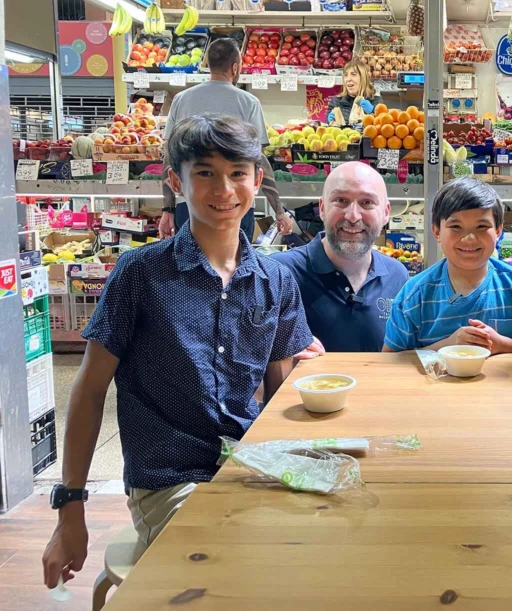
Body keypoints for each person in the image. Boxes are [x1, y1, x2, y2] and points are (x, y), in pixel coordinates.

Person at [42, 116, 315, 588]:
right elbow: (88, 390)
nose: (224, 189)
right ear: (176, 181)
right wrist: (70, 508)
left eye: (237, 172)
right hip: (168, 479)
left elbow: (278, 395)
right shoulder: (140, 273)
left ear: (256, 180)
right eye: (205, 172)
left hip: (248, 466)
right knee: (233, 569)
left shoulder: (276, 281)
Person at [383, 178, 512, 354]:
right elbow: (388, 361)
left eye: (481, 226)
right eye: (456, 227)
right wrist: (445, 346)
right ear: (437, 232)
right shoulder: (414, 296)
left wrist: (503, 345)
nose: (469, 238)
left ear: (498, 231)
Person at [158, 38, 294, 240]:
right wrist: (279, 212)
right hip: (235, 203)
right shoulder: (248, 102)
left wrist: (167, 209)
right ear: (235, 67)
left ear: (208, 64)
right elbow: (258, 160)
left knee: (191, 257)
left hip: (190, 202)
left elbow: (169, 158)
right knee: (235, 258)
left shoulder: (181, 99)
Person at [272, 162, 408, 353]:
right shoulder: (279, 273)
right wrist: (280, 352)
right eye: (341, 200)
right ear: (322, 208)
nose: (353, 216)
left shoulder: (397, 276)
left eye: (367, 202)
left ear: (385, 213)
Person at [327, 60, 382, 125]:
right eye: (346, 75)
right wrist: (329, 121)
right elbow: (328, 128)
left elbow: (382, 126)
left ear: (363, 78)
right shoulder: (336, 102)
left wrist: (373, 111)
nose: (348, 79)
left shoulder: (376, 101)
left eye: (353, 74)